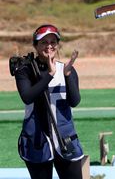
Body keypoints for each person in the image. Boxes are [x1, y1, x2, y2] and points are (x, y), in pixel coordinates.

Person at [13, 24, 84, 179]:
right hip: (36, 141)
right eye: (44, 42)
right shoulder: (25, 70)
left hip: (66, 139)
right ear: (36, 45)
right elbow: (27, 96)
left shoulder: (65, 68)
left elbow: (74, 101)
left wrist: (67, 75)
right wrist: (50, 75)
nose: (49, 46)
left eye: (53, 42)